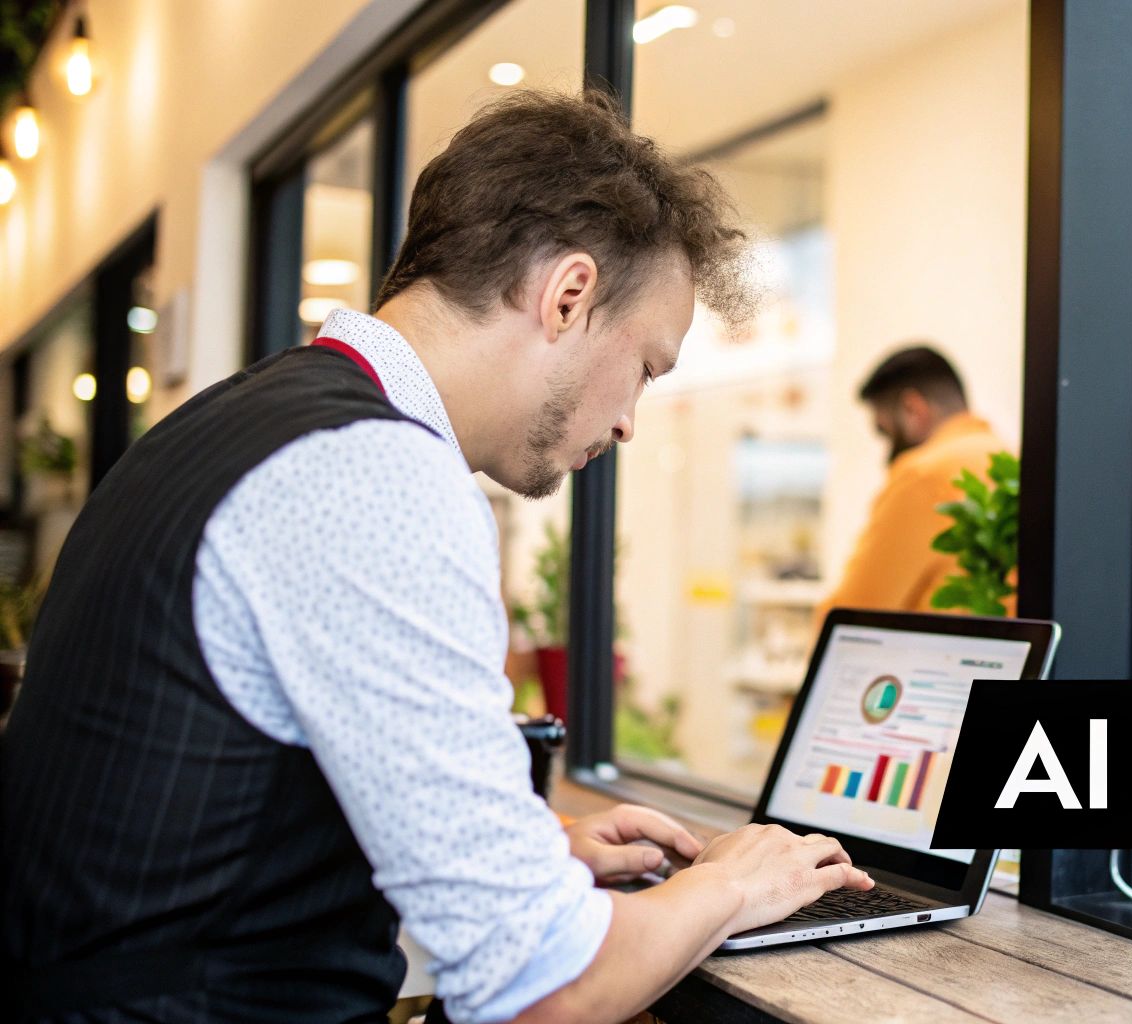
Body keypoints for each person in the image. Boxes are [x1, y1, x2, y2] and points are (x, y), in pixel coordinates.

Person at [0, 90, 870, 1024]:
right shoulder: (374, 475)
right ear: (567, 295)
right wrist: (735, 883)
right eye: (646, 368)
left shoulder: (236, 422)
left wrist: (529, 851)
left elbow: (213, 813)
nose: (626, 418)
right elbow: (550, 990)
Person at [815, 345, 1013, 625]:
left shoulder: (924, 476)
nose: (887, 452)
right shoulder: (1010, 462)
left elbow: (853, 617)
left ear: (913, 409)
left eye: (885, 431)